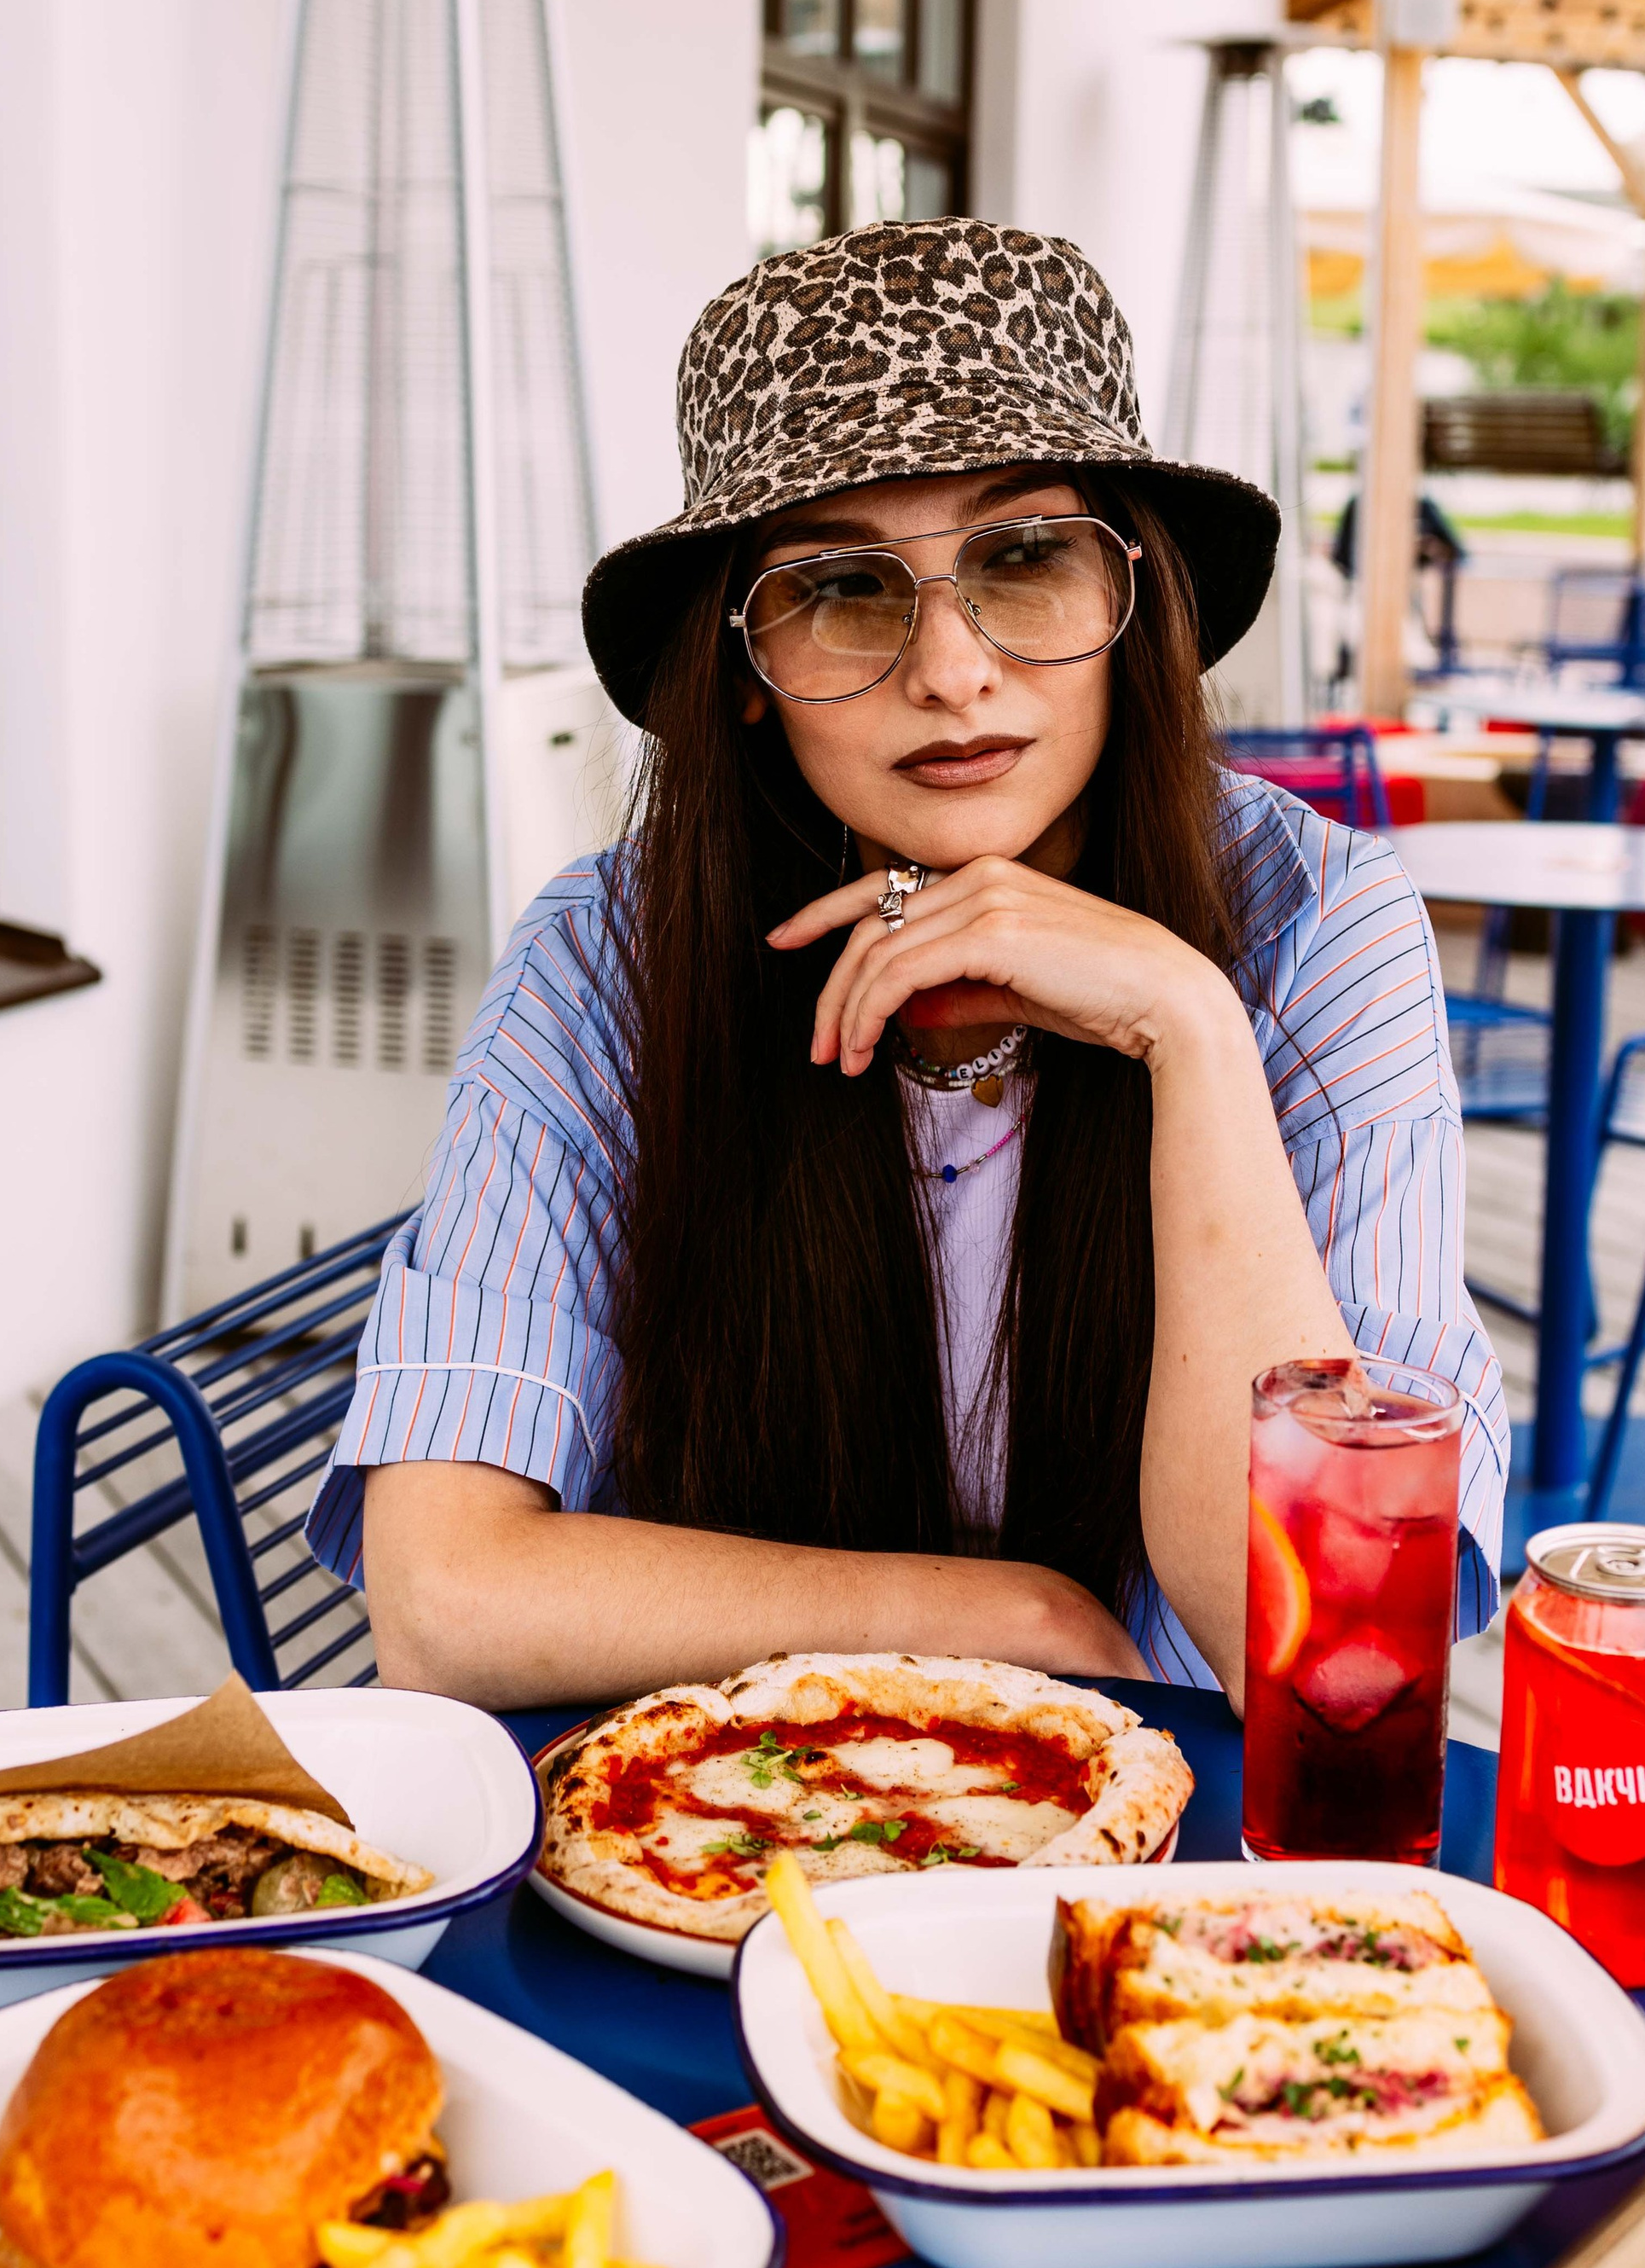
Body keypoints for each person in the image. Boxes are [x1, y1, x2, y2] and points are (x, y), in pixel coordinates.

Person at [305, 220, 1507, 1710]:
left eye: (1023, 559)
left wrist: (1189, 1027)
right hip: (733, 1823)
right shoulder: (611, 960)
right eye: (848, 590)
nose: (951, 671)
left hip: (1183, 1848)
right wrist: (1009, 1618)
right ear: (744, 672)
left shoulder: (1313, 924)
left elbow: (1319, 1640)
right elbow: (442, 1599)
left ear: (1139, 608)